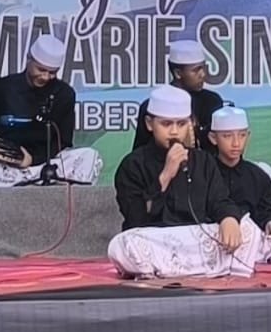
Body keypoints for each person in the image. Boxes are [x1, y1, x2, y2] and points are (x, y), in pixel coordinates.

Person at [108, 85, 262, 279]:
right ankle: (207, 269)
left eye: (181, 124)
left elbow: (220, 201)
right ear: (149, 124)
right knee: (123, 245)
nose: (174, 132)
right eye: (166, 124)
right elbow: (135, 218)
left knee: (247, 229)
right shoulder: (133, 165)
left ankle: (180, 270)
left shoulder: (203, 161)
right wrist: (166, 175)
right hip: (157, 241)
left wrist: (228, 218)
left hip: (197, 241)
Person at [0, 35, 102, 187]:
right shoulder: (2, 88)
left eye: (52, 72)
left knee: (90, 157)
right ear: (29, 59)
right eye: (41, 70)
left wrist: (32, 159)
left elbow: (64, 140)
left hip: (46, 166)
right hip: (6, 167)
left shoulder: (64, 94)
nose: (45, 77)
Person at [207, 105, 271, 263]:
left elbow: (267, 211)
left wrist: (270, 222)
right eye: (227, 136)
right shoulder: (205, 172)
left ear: (248, 136)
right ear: (213, 138)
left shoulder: (257, 175)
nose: (236, 143)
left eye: (242, 135)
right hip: (218, 235)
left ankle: (268, 251)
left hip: (252, 236)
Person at [133, 38, 224, 148]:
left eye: (204, 68)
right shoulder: (153, 105)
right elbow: (141, 151)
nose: (203, 74)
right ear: (178, 73)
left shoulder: (212, 101)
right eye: (196, 70)